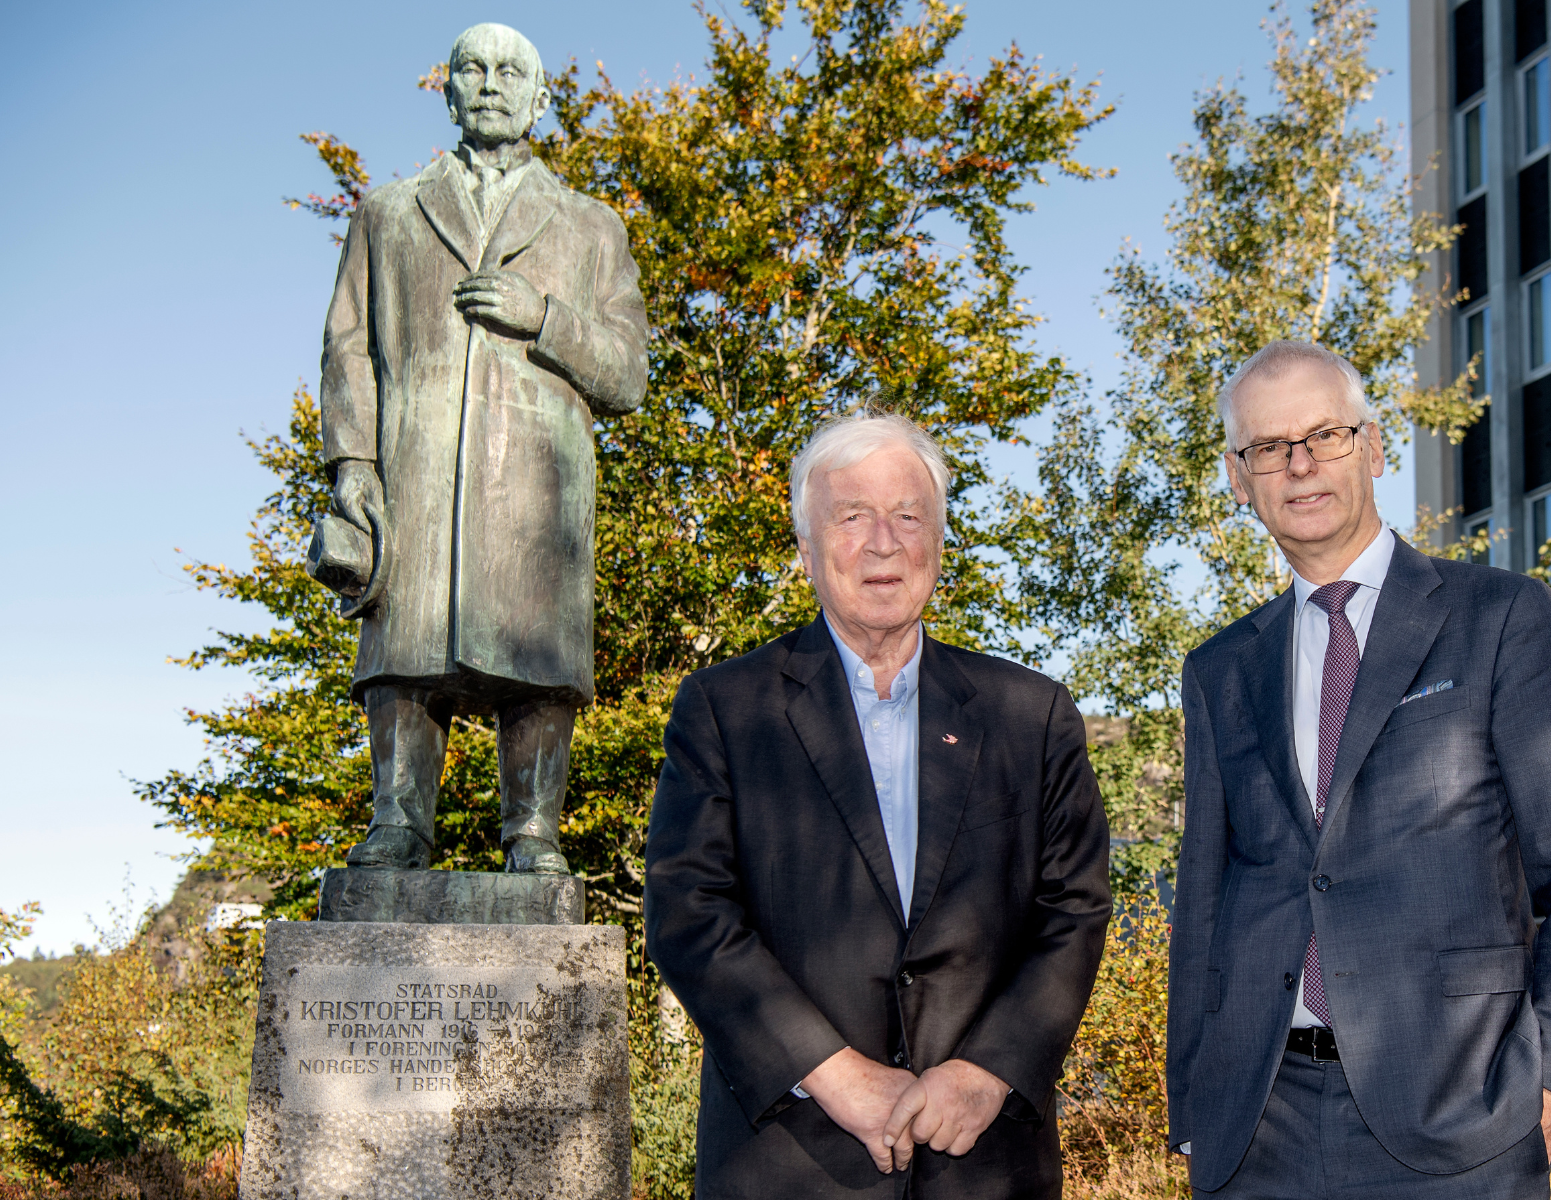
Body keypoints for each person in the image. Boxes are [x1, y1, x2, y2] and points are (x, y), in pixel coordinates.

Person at [1166, 341, 1551, 1198]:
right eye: (1269, 447)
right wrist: (1194, 1106)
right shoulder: (1220, 669)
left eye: (1325, 435)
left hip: (1461, 1117)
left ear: (1374, 448)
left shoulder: (1499, 618)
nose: (1300, 464)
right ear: (1240, 479)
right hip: (1255, 1122)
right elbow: (1205, 901)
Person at [645, 412, 1112, 1198]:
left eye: (908, 516)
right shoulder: (726, 709)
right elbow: (689, 913)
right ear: (805, 549)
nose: (884, 541)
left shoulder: (1030, 715)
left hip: (985, 1161)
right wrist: (831, 1074)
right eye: (852, 516)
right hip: (792, 1162)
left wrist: (990, 1069)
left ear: (939, 543)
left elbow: (1075, 908)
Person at [321, 23, 648, 875]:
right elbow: (348, 345)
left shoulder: (591, 225)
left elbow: (629, 375)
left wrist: (544, 317)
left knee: (538, 665)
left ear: (540, 99)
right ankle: (397, 822)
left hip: (538, 483)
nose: (493, 83)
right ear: (449, 89)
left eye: (513, 72)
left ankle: (534, 831)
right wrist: (352, 463)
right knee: (403, 656)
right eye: (474, 68)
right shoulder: (388, 213)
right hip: (416, 464)